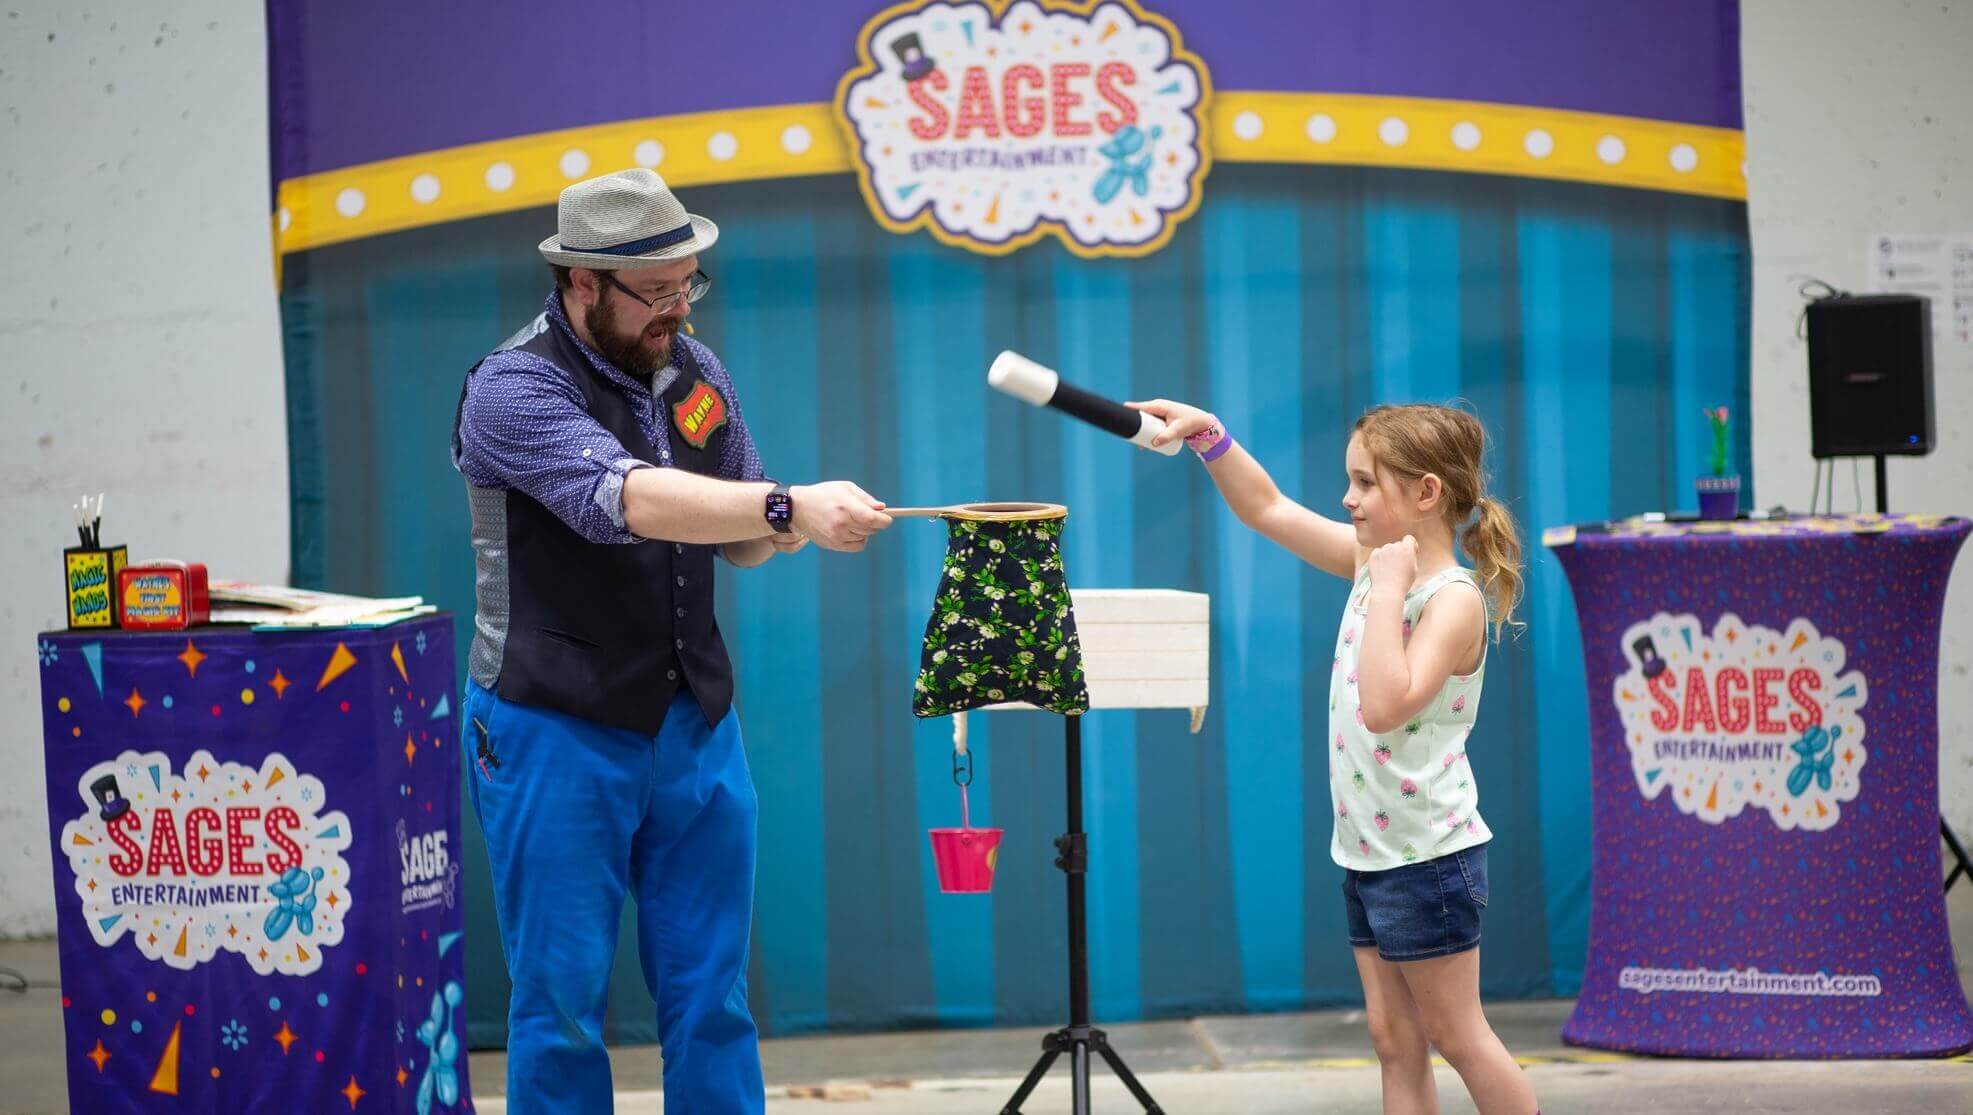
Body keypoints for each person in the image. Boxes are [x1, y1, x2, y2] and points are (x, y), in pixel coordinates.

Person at [451, 167, 892, 1113]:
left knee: (712, 998)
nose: (677, 309)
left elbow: (739, 538)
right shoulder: (512, 388)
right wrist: (785, 504)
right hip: (550, 724)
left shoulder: (697, 371)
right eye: (654, 292)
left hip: (692, 722)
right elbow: (629, 500)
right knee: (561, 1005)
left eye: (688, 284)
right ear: (581, 283)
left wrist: (797, 522)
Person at [1128, 398, 1540, 1115]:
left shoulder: (1451, 600)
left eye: (1364, 483)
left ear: (1424, 493)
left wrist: (1384, 590)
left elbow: (1386, 702)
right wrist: (1209, 437)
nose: (1346, 499)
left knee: (1456, 1032)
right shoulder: (1370, 567)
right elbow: (1267, 509)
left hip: (1428, 857)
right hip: (1367, 850)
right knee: (1392, 1037)